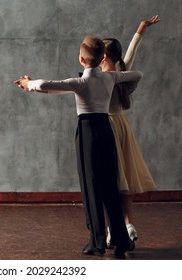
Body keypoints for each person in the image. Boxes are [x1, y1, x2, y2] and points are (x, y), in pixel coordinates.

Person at [14, 36, 142, 258]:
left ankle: (97, 242)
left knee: (91, 187)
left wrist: (28, 84)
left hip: (87, 133)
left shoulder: (80, 82)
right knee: (110, 185)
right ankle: (121, 241)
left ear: (81, 59)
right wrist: (115, 76)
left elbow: (47, 85)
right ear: (103, 57)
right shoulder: (109, 79)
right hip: (106, 130)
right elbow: (137, 74)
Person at [101, 16, 160, 248]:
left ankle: (111, 229)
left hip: (106, 126)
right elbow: (130, 55)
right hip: (123, 126)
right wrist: (141, 29)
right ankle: (128, 224)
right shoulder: (121, 73)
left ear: (103, 57)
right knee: (124, 177)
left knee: (111, 180)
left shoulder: (100, 79)